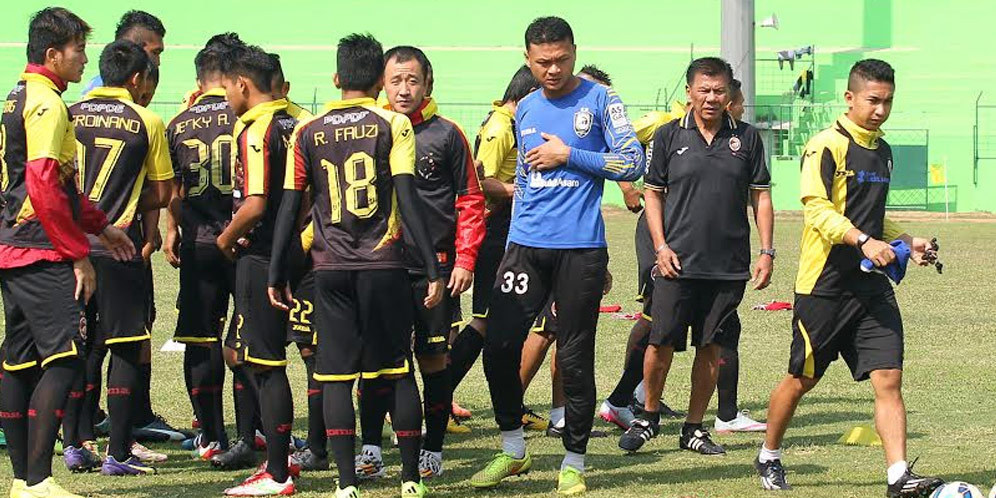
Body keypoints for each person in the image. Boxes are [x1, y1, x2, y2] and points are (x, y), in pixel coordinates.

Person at [469, 16, 643, 495]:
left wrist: (572, 156)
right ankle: (511, 448)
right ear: (527, 59)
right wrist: (509, 250)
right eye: (543, 61)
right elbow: (524, 184)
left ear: (573, 51)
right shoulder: (523, 109)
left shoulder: (602, 100)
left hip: (580, 250)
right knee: (499, 345)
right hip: (525, 248)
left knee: (573, 354)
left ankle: (574, 461)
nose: (553, 69)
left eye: (562, 59)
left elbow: (633, 162)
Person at [755, 59, 944, 498]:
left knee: (889, 378)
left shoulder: (884, 150)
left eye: (888, 101)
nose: (880, 110)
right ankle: (768, 453)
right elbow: (817, 211)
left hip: (871, 287)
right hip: (823, 286)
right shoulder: (826, 145)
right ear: (850, 98)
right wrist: (862, 241)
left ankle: (898, 477)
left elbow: (874, 217)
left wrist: (906, 240)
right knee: (801, 380)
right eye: (873, 100)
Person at [268, 33, 442, 498]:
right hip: (383, 267)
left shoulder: (308, 129)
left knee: (336, 377)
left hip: (329, 270)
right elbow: (408, 199)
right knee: (397, 370)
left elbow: (290, 207)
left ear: (337, 77)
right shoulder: (393, 124)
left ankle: (346, 485)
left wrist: (277, 273)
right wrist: (431, 268)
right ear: (379, 81)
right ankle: (409, 480)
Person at [0, 7, 133, 497]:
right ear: (54, 54)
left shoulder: (18, 96)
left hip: (12, 248)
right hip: (41, 251)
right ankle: (38, 480)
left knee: (18, 362)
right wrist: (78, 252)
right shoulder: (49, 105)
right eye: (79, 49)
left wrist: (102, 227)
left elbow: (58, 183)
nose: (84, 58)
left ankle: (21, 480)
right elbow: (41, 185)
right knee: (64, 358)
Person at [618, 57, 774, 456]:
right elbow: (653, 193)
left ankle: (693, 428)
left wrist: (766, 251)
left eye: (719, 91)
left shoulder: (748, 139)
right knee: (660, 342)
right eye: (703, 90)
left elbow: (761, 196)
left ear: (730, 95)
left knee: (711, 347)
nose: (711, 98)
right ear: (689, 92)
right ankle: (647, 418)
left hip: (727, 265)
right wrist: (660, 246)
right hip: (676, 261)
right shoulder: (669, 136)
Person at [353, 45, 485, 481]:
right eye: (395, 81)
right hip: (379, 268)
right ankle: (370, 448)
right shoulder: (367, 132)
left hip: (436, 271)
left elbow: (470, 200)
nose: (404, 89)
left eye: (413, 80)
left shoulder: (448, 134)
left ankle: (433, 449)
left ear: (428, 83)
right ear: (381, 85)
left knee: (433, 362)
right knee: (377, 362)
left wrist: (464, 259)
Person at [69, 39, 174, 475]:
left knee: (76, 347)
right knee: (127, 347)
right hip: (120, 246)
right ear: (136, 79)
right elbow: (164, 191)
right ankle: (118, 452)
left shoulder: (69, 113)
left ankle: (75, 443)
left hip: (71, 248)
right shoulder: (146, 119)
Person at [448, 64, 555, 433]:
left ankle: (512, 404)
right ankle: (439, 396)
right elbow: (480, 180)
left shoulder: (513, 124)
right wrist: (523, 189)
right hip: (497, 232)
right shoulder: (498, 127)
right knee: (487, 321)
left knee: (508, 323)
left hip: (516, 230)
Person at [218, 43, 299, 496]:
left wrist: (225, 239)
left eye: (228, 86)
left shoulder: (255, 130)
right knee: (254, 355)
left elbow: (254, 205)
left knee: (265, 363)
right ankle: (281, 455)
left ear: (242, 85)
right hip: (296, 252)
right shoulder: (300, 121)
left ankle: (278, 472)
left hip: (261, 255)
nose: (227, 94)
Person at [164, 38, 239, 464]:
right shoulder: (246, 115)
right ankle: (256, 431)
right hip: (243, 242)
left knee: (200, 338)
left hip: (199, 241)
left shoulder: (178, 122)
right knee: (246, 338)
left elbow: (170, 190)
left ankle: (211, 434)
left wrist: (174, 227)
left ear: (198, 78)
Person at [80, 10, 165, 97]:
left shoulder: (140, 85)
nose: (158, 62)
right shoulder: (99, 91)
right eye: (155, 52)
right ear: (133, 49)